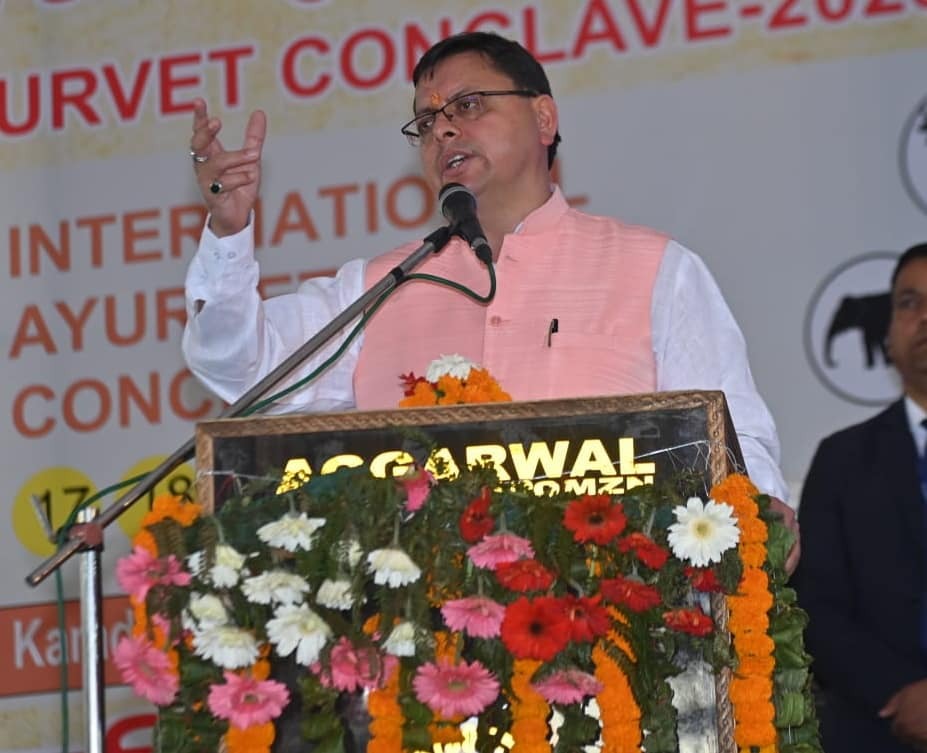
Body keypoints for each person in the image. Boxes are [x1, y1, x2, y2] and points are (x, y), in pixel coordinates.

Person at [182, 31, 798, 570]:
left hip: (617, 625)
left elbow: (732, 438)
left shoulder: (656, 268)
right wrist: (230, 232)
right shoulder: (381, 286)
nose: (443, 129)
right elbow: (246, 371)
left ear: (544, 118)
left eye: (468, 105)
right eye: (426, 122)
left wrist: (760, 525)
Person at [793, 243, 927, 752]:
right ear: (887, 329)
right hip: (876, 725)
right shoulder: (842, 460)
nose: (925, 317)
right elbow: (815, 605)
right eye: (909, 303)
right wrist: (901, 693)